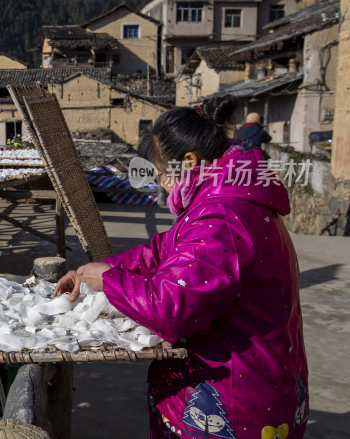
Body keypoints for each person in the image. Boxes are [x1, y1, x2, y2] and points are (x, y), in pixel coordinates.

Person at [55, 94, 308, 439]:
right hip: (253, 381)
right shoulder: (225, 199)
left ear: (188, 161)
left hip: (231, 401)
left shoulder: (223, 218)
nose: (160, 183)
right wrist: (91, 272)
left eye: (161, 173)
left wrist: (111, 280)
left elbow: (171, 307)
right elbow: (166, 249)